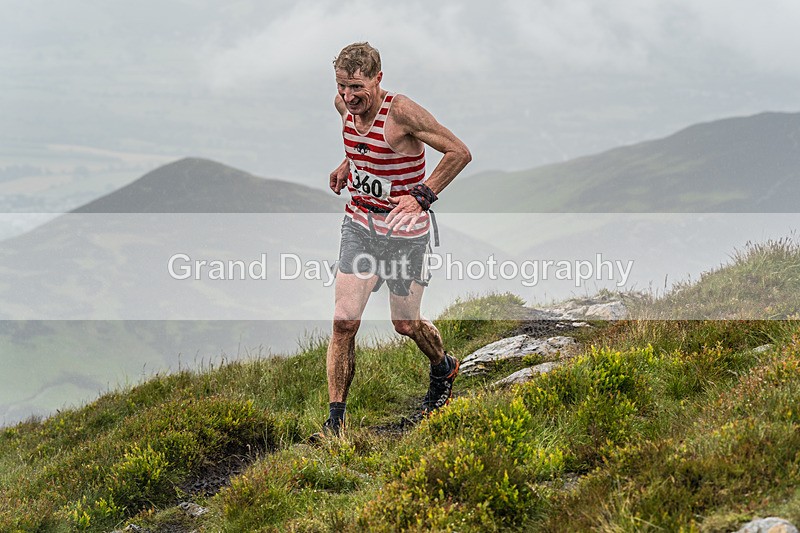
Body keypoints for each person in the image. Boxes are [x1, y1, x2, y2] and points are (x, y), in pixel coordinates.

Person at [319, 42, 472, 437]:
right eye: (341, 86)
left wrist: (422, 195)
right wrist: (346, 165)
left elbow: (458, 152)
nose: (349, 97)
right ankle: (335, 424)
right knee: (343, 321)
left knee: (405, 323)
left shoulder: (401, 112)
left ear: (378, 79)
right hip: (361, 224)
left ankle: (444, 367)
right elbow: (360, 147)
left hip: (404, 232)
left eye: (357, 87)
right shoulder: (343, 106)